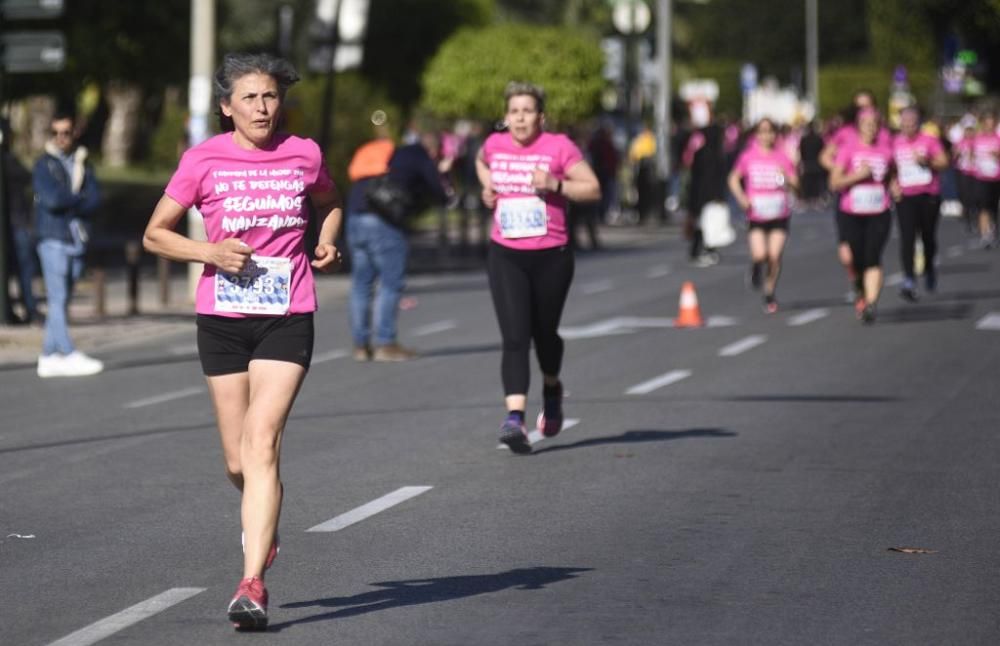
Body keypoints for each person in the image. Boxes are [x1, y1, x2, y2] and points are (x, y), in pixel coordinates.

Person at [142, 52, 343, 630]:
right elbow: (156, 234)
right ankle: (264, 518)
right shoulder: (202, 160)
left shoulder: (304, 154)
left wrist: (326, 240)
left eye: (271, 96)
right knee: (238, 460)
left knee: (261, 443)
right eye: (250, 97)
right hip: (223, 318)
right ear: (227, 107)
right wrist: (210, 252)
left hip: (287, 312)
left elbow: (329, 204)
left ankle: (252, 583)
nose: (262, 107)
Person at [476, 81, 600, 454]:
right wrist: (488, 190)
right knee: (515, 336)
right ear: (506, 116)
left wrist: (555, 184)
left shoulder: (559, 146)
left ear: (540, 117)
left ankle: (552, 387)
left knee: (544, 334)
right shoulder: (494, 144)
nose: (520, 118)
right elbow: (482, 162)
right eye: (514, 111)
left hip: (552, 255)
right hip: (506, 252)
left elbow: (592, 188)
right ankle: (515, 417)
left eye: (527, 111)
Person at [344, 121, 447, 362]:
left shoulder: (394, 154)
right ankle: (385, 343)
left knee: (361, 283)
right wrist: (440, 171)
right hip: (382, 223)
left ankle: (361, 345)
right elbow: (439, 193)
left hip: (354, 217)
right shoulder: (420, 156)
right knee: (390, 283)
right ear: (434, 150)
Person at [33, 110, 103, 377]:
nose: (61, 138)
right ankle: (67, 351)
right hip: (52, 237)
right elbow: (51, 200)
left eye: (66, 132)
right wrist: (78, 198)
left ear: (74, 132)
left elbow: (95, 198)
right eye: (56, 133)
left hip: (77, 237)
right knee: (57, 297)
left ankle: (48, 356)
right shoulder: (44, 164)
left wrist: (73, 199)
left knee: (63, 299)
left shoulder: (83, 161)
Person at [820, 90, 891, 302]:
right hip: (850, 202)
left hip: (878, 207)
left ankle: (869, 301)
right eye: (860, 109)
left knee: (872, 255)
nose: (865, 114)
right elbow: (825, 159)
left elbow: (893, 167)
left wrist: (894, 184)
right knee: (849, 255)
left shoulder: (885, 138)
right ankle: (857, 279)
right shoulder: (845, 134)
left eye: (868, 107)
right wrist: (849, 173)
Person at [728, 118, 799, 313]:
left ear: (775, 135)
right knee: (760, 254)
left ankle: (769, 292)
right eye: (762, 131)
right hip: (757, 214)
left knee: (774, 255)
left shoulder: (782, 157)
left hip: (779, 212)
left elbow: (796, 183)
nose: (766, 135)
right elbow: (733, 178)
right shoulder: (748, 156)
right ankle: (756, 268)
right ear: (756, 135)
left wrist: (786, 177)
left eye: (770, 131)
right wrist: (742, 198)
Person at [890, 105, 949, 301]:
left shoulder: (929, 141)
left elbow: (944, 162)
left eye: (912, 124)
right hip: (905, 197)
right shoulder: (895, 143)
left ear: (919, 123)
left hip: (928, 195)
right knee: (907, 237)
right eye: (904, 124)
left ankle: (929, 268)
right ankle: (909, 279)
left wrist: (927, 162)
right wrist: (892, 185)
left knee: (928, 237)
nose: (908, 127)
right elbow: (889, 168)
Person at [3, 119, 40, 324]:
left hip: (17, 223)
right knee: (23, 269)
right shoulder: (8, 161)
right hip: (16, 224)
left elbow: (29, 178)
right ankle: (26, 309)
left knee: (23, 269)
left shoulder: (10, 160)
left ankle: (26, 308)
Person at [683, 116, 729, 266]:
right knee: (708, 224)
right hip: (709, 194)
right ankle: (706, 250)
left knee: (702, 224)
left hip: (699, 194)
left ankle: (698, 250)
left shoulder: (701, 152)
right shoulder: (717, 155)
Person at [972, 111, 1000, 248]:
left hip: (996, 177)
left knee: (993, 207)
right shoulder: (977, 138)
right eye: (987, 123)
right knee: (983, 207)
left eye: (992, 124)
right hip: (980, 178)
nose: (990, 126)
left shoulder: (998, 138)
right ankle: (985, 234)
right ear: (983, 124)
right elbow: (971, 154)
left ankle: (993, 228)